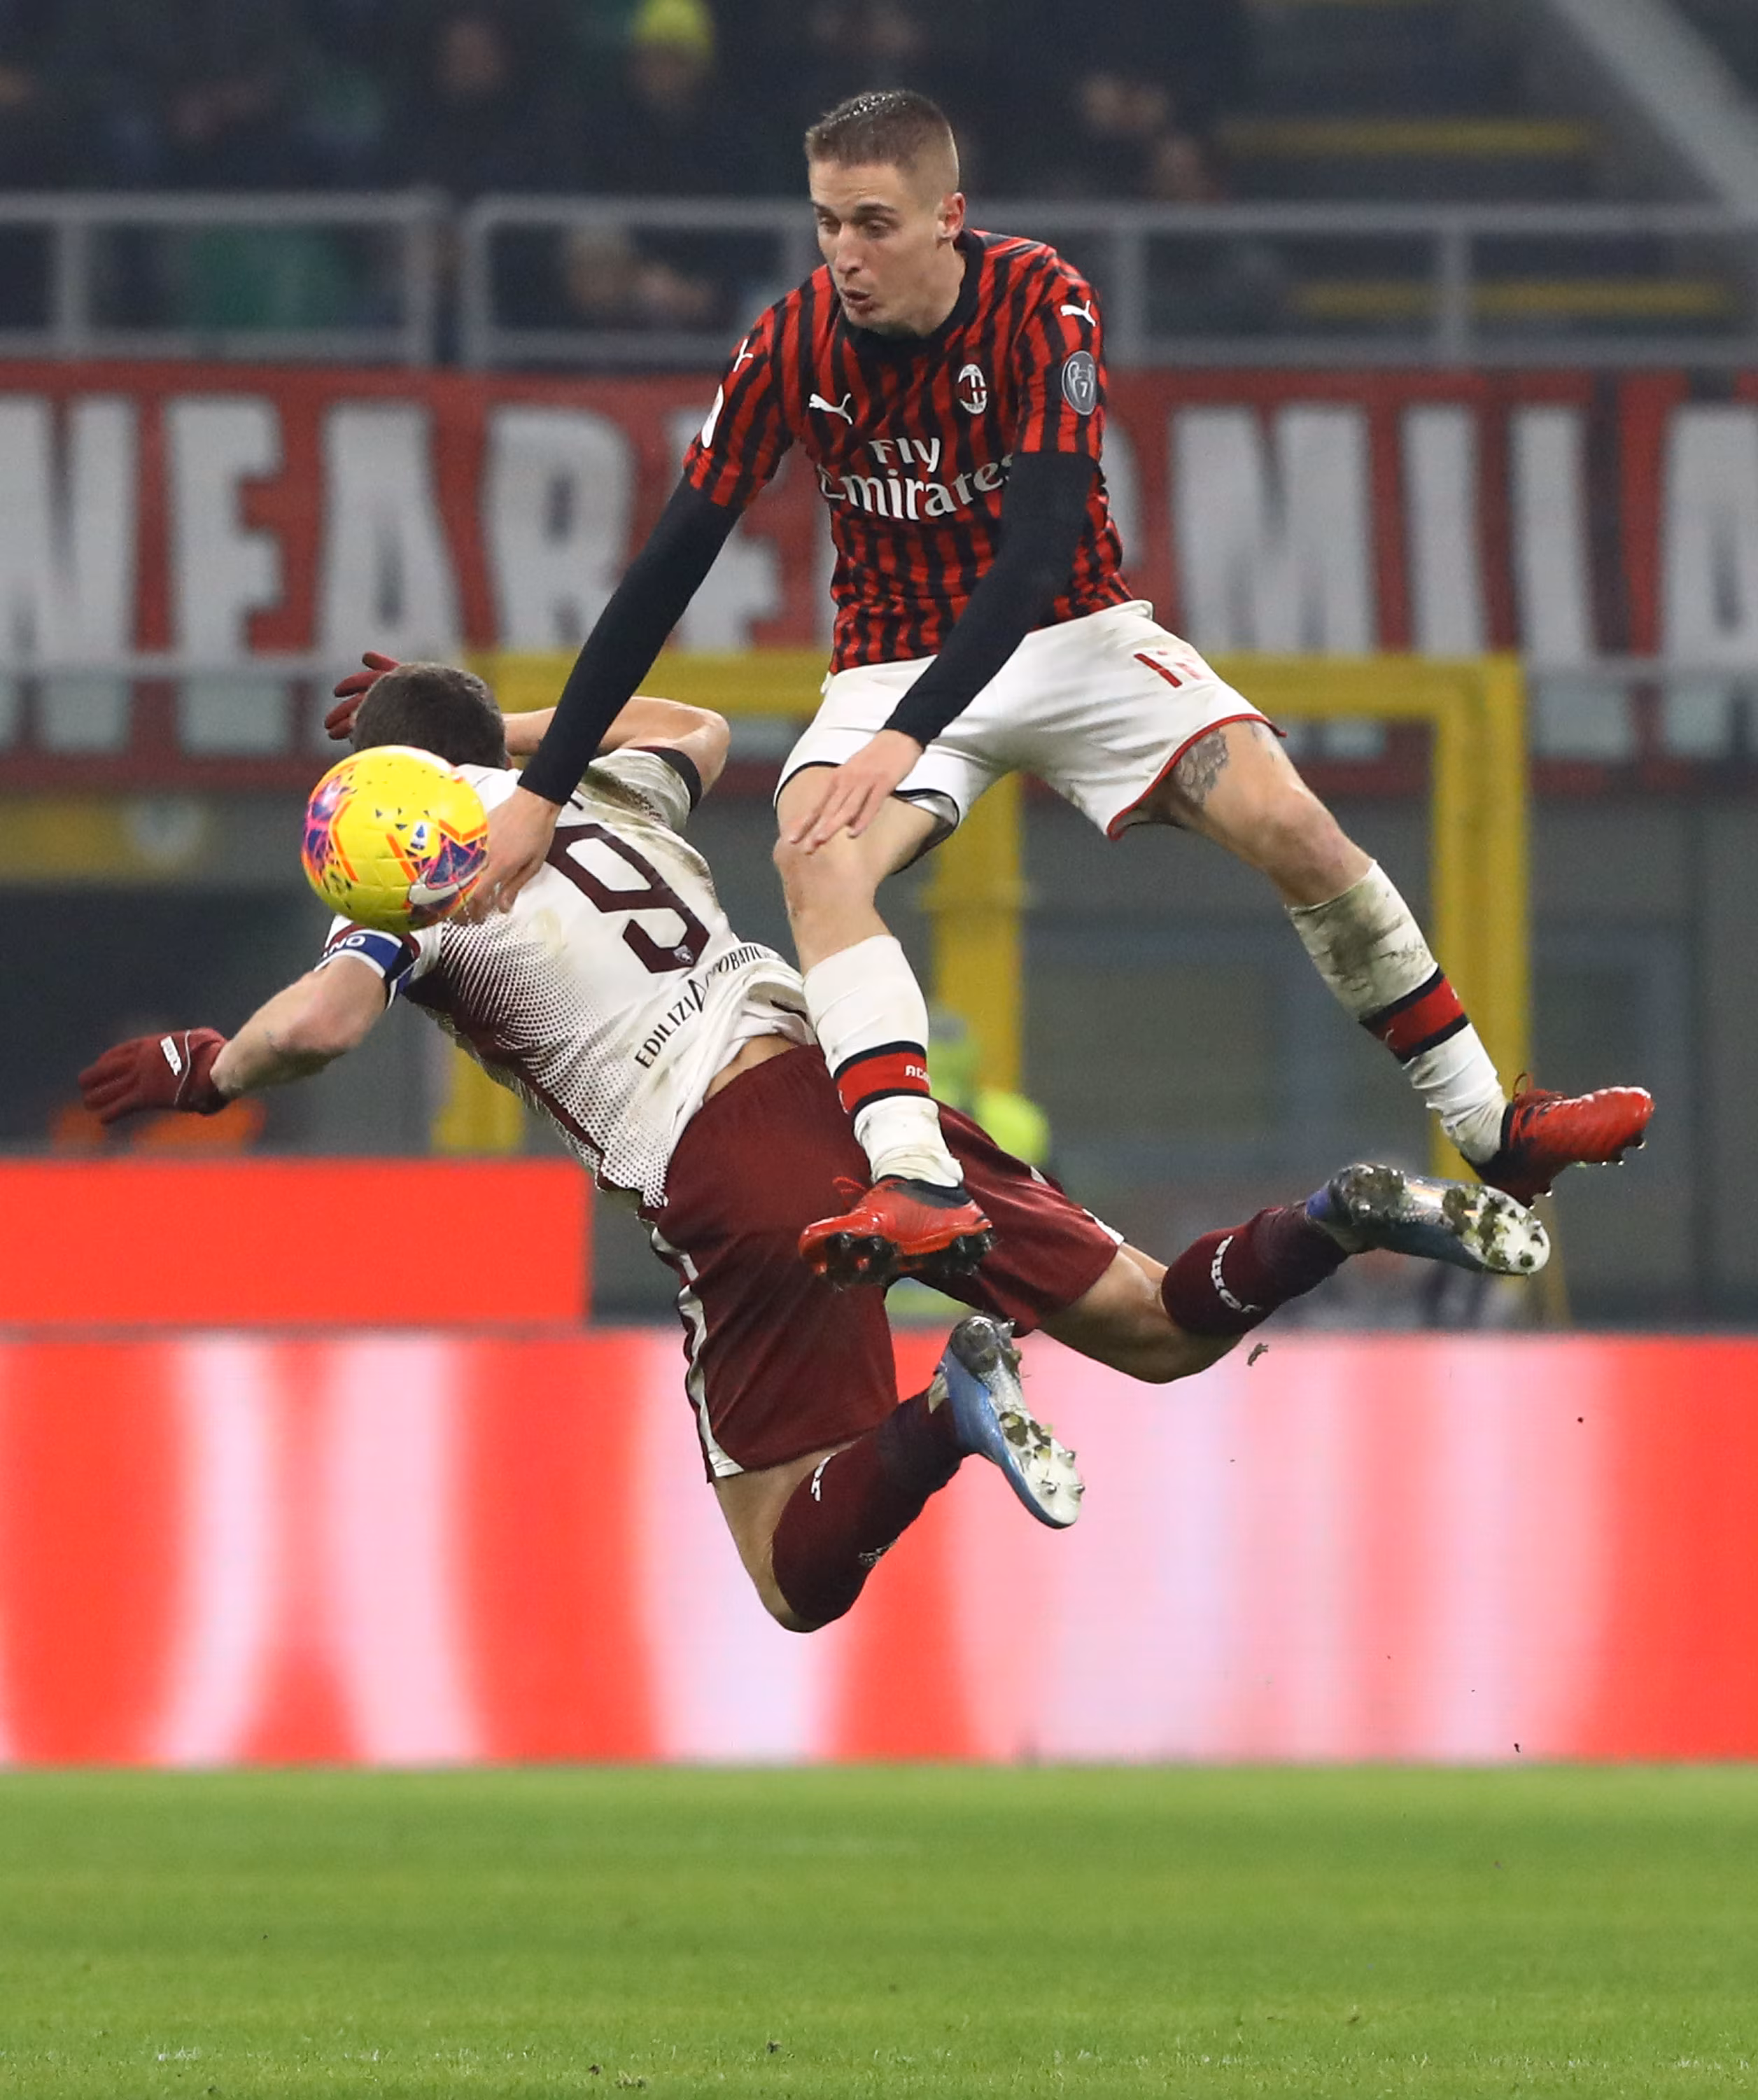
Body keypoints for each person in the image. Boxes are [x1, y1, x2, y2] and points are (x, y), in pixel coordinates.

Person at [463, 86, 1653, 1291]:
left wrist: (906, 738)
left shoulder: (1044, 300)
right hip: (893, 655)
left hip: (1073, 632)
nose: (845, 256)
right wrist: (543, 793)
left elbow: (1034, 555)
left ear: (949, 217)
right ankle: (916, 1179)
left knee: (1293, 823)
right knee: (815, 857)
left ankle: (1494, 1128)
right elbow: (667, 569)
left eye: (874, 223)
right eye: (826, 223)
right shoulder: (790, 346)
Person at [80, 664, 1549, 1634]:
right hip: (852, 1085)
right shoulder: (591, 793)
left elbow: (324, 1023)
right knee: (1161, 1328)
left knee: (791, 1571)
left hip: (723, 1156)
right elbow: (697, 730)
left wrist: (203, 1068)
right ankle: (1337, 1212)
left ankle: (954, 1408)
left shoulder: (428, 871)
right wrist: (503, 733)